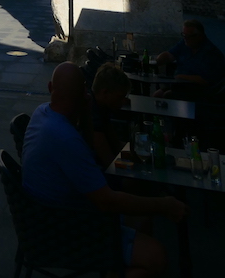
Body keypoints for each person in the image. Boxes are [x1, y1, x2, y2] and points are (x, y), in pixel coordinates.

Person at [22, 63, 186, 278]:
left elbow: (88, 152)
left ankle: (114, 266)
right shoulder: (65, 138)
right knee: (157, 256)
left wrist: (86, 115)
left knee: (143, 220)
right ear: (83, 94)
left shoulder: (42, 112)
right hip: (66, 228)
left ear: (51, 87)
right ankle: (113, 260)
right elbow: (106, 200)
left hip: (44, 217)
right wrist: (164, 205)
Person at [155, 19, 225, 98]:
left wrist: (180, 77)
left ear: (199, 36)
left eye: (188, 36)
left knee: (168, 95)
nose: (185, 38)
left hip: (201, 90)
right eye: (184, 35)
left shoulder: (211, 54)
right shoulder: (185, 43)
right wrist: (157, 60)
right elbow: (170, 55)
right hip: (180, 84)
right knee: (157, 95)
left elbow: (206, 80)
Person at [90, 63, 131, 169]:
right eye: (119, 97)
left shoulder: (101, 108)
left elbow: (116, 144)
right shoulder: (92, 116)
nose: (122, 102)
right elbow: (110, 163)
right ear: (105, 93)